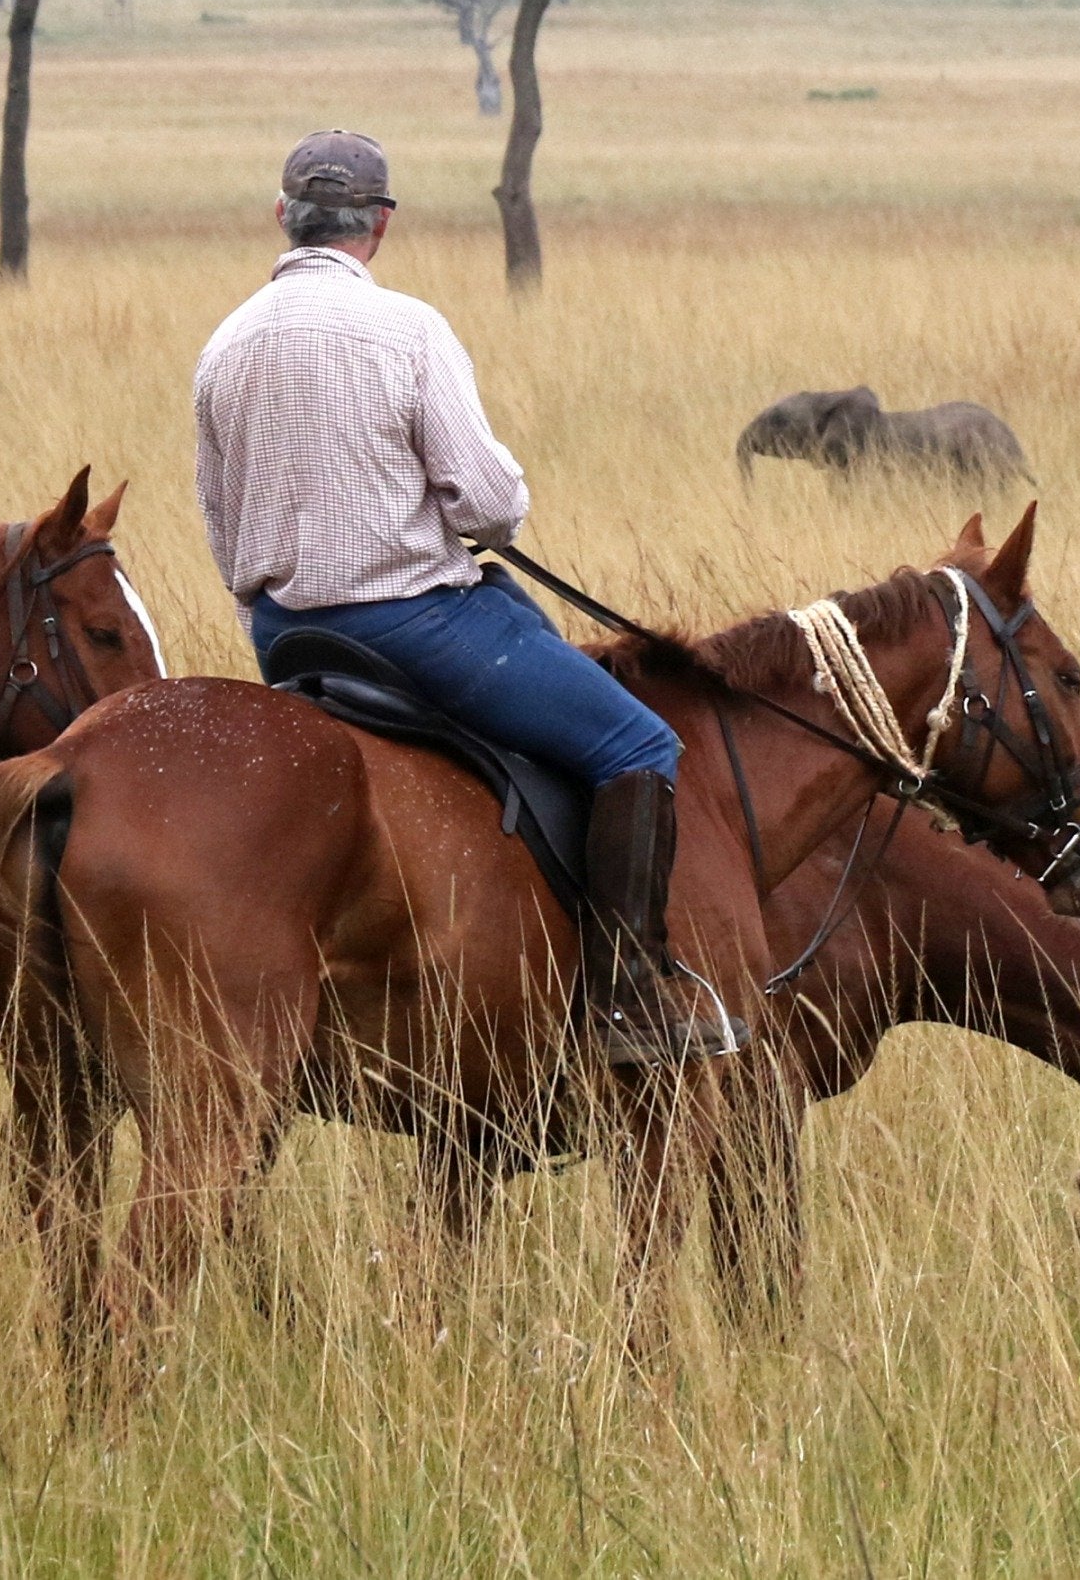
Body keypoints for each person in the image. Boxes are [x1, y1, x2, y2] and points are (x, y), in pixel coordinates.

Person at [191, 130, 742, 1068]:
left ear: (282, 216)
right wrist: (489, 515)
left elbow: (218, 516)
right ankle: (629, 998)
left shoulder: (225, 345)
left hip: (285, 638)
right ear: (382, 224)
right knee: (636, 743)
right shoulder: (408, 331)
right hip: (414, 627)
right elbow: (487, 503)